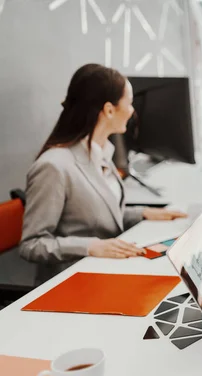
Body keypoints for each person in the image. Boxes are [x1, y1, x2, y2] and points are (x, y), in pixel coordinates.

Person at [20, 64, 187, 269]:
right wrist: (90, 246)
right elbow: (32, 245)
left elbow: (98, 215)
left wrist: (143, 213)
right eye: (130, 103)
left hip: (108, 269)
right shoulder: (53, 166)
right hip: (75, 279)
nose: (132, 111)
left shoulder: (101, 153)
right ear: (109, 110)